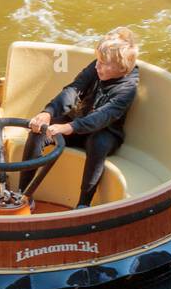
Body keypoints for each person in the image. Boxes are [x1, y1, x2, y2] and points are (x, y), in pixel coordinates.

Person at [21, 27, 140, 208]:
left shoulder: (127, 89)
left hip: (104, 131)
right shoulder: (96, 67)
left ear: (122, 68)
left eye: (103, 63)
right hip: (77, 124)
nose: (97, 66)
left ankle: (83, 204)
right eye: (98, 61)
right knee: (39, 133)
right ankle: (24, 194)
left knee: (99, 143)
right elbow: (73, 90)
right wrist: (48, 113)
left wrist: (68, 128)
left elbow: (103, 117)